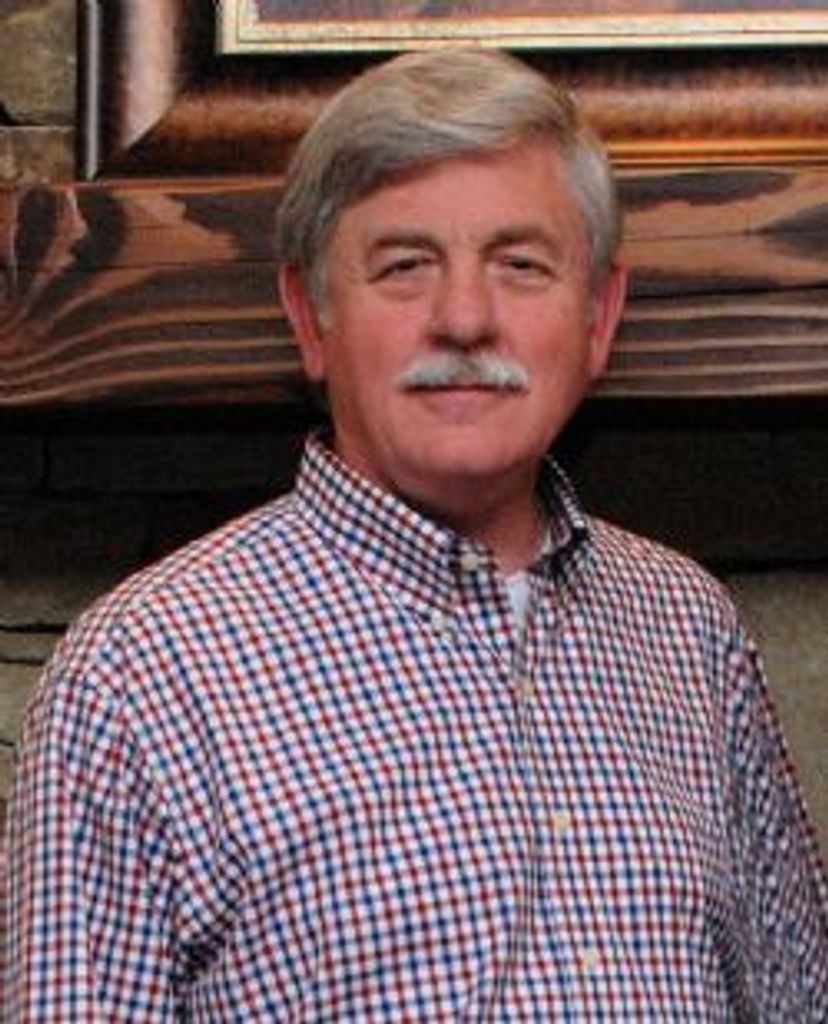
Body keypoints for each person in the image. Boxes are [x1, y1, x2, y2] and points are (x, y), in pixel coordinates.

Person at [3, 48, 826, 1021]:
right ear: (311, 316)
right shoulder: (142, 672)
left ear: (600, 316)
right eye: (404, 267)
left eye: (521, 266)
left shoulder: (688, 629)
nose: (465, 319)